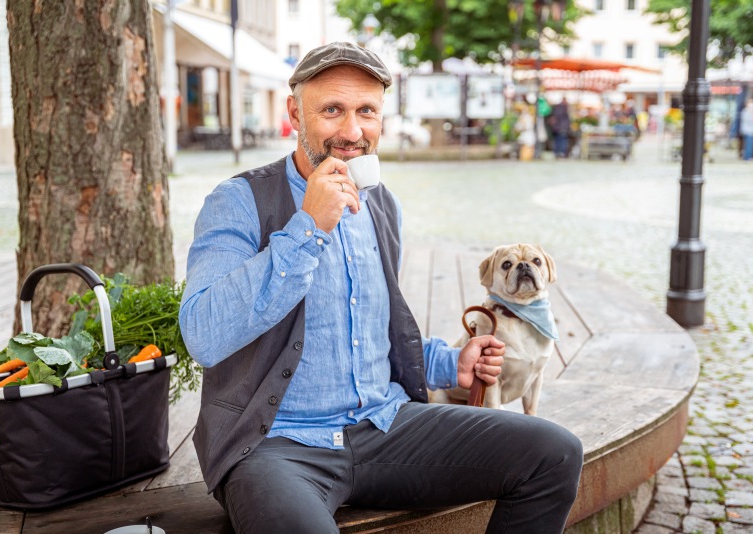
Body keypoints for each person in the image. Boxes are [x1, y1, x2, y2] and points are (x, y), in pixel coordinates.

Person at [179, 42, 583, 534]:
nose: (353, 132)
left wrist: (448, 363)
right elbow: (203, 334)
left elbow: (370, 331)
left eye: (367, 111)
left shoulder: (382, 204)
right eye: (332, 110)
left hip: (385, 425)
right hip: (276, 446)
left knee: (555, 454)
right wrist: (308, 226)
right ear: (295, 114)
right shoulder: (238, 201)